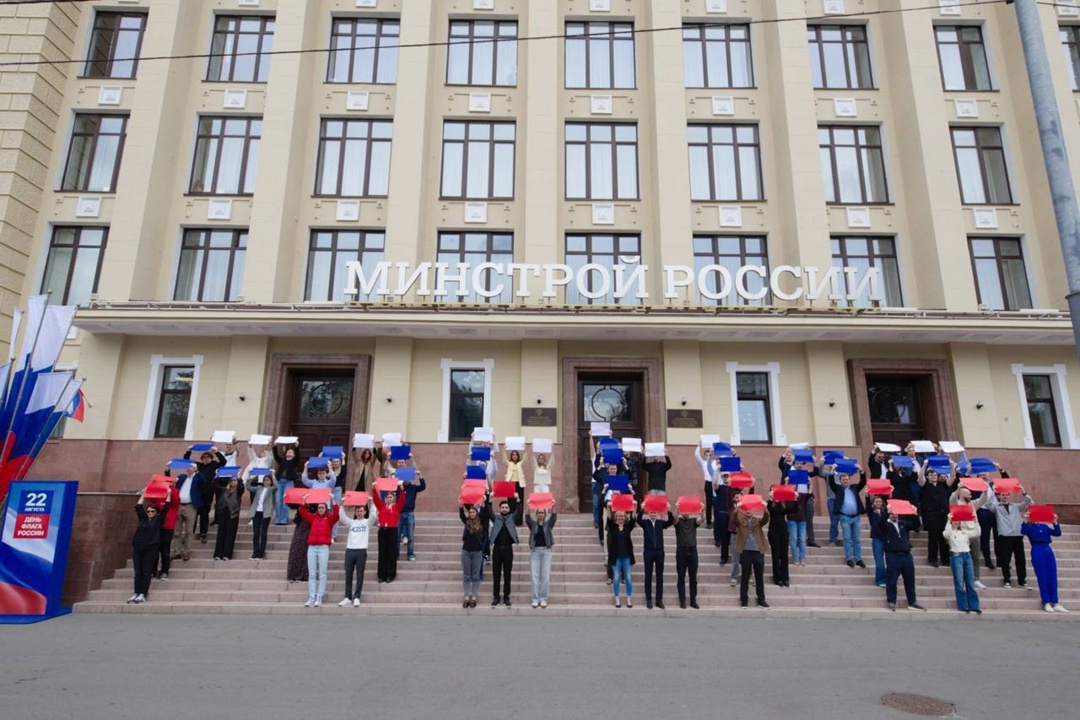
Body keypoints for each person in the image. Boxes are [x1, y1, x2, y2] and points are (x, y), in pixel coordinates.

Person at [985, 480, 1033, 589]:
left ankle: (1022, 580)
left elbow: (1029, 504)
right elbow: (987, 503)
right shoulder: (996, 507)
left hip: (1017, 535)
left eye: (1007, 495)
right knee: (1005, 559)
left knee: (1020, 559)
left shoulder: (1015, 506)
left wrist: (1024, 492)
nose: (1005, 497)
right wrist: (993, 492)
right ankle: (1007, 580)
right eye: (1003, 495)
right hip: (1005, 536)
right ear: (999, 496)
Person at [879, 502, 926, 611]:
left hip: (906, 554)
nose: (894, 515)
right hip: (893, 555)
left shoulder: (902, 523)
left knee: (910, 579)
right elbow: (879, 523)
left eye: (896, 513)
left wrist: (915, 514)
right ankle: (891, 601)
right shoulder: (885, 525)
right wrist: (887, 512)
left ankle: (912, 601)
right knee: (892, 579)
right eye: (892, 513)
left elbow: (916, 525)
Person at [1022, 511, 1068, 613]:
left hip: (1047, 549)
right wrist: (1025, 520)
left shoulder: (1044, 526)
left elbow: (1057, 533)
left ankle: (1055, 602)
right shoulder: (1029, 527)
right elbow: (1023, 531)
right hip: (1037, 549)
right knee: (1042, 576)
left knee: (1052, 575)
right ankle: (1046, 601)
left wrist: (1055, 522)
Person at [298, 495, 340, 607]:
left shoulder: (329, 519)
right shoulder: (313, 518)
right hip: (312, 547)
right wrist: (305, 500)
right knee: (311, 574)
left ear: (326, 509)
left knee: (322, 573)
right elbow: (303, 511)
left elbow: (336, 514)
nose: (321, 509)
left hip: (323, 548)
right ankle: (312, 596)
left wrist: (333, 500)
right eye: (319, 508)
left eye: (323, 508)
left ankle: (319, 596)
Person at [129, 492, 169, 604]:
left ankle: (143, 593)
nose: (150, 513)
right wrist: (144, 494)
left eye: (152, 511)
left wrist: (169, 494)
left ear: (156, 513)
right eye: (148, 511)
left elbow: (166, 508)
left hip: (151, 548)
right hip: (138, 546)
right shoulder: (143, 519)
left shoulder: (158, 520)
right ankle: (136, 592)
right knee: (138, 572)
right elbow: (138, 506)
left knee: (146, 572)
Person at [917, 463, 958, 567]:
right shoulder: (925, 485)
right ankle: (932, 559)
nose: (933, 476)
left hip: (943, 514)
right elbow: (920, 477)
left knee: (944, 538)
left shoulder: (943, 484)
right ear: (928, 477)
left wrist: (951, 466)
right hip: (931, 515)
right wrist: (925, 465)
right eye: (931, 475)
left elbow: (953, 477)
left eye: (935, 475)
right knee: (933, 538)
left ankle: (945, 560)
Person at [827, 464, 867, 569]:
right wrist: (832, 470)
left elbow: (863, 482)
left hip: (856, 517)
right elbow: (831, 482)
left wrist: (861, 470)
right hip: (845, 518)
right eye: (843, 479)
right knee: (847, 539)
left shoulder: (854, 488)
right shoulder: (838, 489)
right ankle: (849, 558)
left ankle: (858, 559)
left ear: (849, 479)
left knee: (857, 539)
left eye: (846, 479)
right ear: (840, 481)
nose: (845, 480)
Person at [943, 510, 982, 614]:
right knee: (959, 582)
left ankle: (974, 605)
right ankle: (963, 605)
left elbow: (977, 532)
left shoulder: (964, 532)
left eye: (958, 520)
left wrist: (975, 520)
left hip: (967, 556)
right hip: (956, 556)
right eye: (955, 520)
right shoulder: (950, 533)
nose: (957, 522)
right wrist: (949, 520)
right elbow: (947, 534)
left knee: (970, 582)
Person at [636, 501, 674, 610]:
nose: (652, 514)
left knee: (659, 576)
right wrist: (642, 509)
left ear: (657, 513)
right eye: (651, 512)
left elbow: (670, 522)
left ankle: (659, 600)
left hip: (659, 551)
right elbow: (638, 520)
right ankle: (648, 599)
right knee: (648, 576)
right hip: (648, 551)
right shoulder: (645, 522)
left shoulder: (660, 523)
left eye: (654, 513)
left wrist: (669, 510)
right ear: (648, 513)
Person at [337, 500, 376, 607]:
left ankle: (357, 597)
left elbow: (373, 515)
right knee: (348, 575)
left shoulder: (367, 523)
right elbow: (342, 517)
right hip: (350, 550)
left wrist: (371, 503)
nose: (359, 512)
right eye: (357, 511)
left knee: (360, 575)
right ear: (355, 512)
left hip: (361, 550)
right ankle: (348, 597)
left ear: (364, 512)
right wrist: (342, 505)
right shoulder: (351, 523)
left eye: (361, 511)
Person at [185, 446, 227, 543]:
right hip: (196, 494)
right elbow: (187, 461)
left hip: (207, 494)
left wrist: (216, 452)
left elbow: (223, 462)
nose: (205, 459)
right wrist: (189, 451)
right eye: (204, 457)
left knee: (204, 515)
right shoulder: (198, 466)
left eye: (208, 457)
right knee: (193, 515)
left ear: (211, 458)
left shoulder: (214, 465)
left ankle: (203, 533)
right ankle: (191, 533)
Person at [734, 501, 770, 609]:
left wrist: (765, 508)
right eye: (746, 509)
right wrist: (737, 508)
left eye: (750, 509)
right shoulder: (741, 521)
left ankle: (761, 600)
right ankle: (744, 601)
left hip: (758, 551)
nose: (748, 511)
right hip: (745, 551)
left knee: (759, 577)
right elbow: (734, 519)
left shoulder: (757, 521)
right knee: (745, 577)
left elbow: (766, 519)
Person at [170, 460, 206, 562]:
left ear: (195, 469)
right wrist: (168, 469)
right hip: (179, 505)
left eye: (192, 467)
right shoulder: (182, 477)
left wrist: (197, 471)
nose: (189, 469)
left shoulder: (197, 478)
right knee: (177, 531)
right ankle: (176, 551)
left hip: (190, 506)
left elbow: (203, 481)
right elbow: (171, 480)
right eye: (188, 467)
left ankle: (186, 551)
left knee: (189, 531)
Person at [373, 482, 407, 583]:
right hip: (383, 530)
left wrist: (401, 488)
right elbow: (376, 499)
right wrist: (374, 489)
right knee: (382, 553)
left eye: (391, 497)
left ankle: (390, 574)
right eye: (387, 497)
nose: (389, 498)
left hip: (392, 530)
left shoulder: (396, 507)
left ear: (393, 498)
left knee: (391, 553)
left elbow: (402, 499)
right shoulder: (382, 507)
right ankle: (381, 575)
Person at [525, 505, 557, 608]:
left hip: (546, 551)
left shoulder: (548, 525)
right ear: (536, 514)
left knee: (545, 576)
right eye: (539, 512)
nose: (540, 514)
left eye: (542, 512)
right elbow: (527, 518)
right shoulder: (533, 525)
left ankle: (543, 598)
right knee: (534, 576)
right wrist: (529, 506)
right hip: (535, 551)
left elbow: (554, 517)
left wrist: (553, 506)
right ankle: (535, 599)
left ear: (545, 514)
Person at [489, 498, 520, 607]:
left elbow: (518, 511)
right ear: (500, 509)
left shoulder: (512, 518)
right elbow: (489, 511)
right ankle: (496, 596)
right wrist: (489, 500)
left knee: (507, 574)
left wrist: (517, 500)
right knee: (496, 575)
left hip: (508, 550)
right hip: (497, 550)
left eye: (506, 507)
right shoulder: (496, 519)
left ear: (509, 509)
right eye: (502, 507)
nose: (504, 509)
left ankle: (506, 596)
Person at [459, 501, 488, 608]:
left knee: (475, 576)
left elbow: (485, 513)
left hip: (477, 551)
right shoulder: (467, 523)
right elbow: (462, 516)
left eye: (473, 512)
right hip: (466, 551)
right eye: (470, 512)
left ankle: (474, 596)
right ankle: (466, 596)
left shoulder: (481, 523)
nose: (471, 514)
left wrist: (484, 502)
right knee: (467, 576)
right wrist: (461, 506)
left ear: (476, 513)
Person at [674, 503, 703, 609]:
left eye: (687, 511)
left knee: (693, 577)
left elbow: (701, 520)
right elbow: (674, 519)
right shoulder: (679, 522)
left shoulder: (693, 521)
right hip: (681, 550)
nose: (686, 513)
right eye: (684, 511)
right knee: (681, 577)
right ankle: (682, 600)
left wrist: (701, 510)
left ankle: (693, 600)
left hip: (692, 550)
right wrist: (677, 509)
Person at [607, 509, 637, 608]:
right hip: (616, 557)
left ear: (625, 518)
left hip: (626, 557)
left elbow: (633, 519)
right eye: (619, 516)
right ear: (616, 518)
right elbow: (608, 518)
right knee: (616, 578)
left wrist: (635, 505)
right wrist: (608, 506)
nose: (620, 518)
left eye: (622, 516)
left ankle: (629, 598)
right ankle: (617, 598)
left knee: (628, 578)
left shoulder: (627, 528)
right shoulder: (613, 527)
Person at [153, 478, 180, 581]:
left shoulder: (174, 502)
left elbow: (175, 497)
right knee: (155, 551)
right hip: (157, 527)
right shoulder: (160, 499)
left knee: (165, 551)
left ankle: (165, 571)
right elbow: (152, 497)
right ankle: (153, 571)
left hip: (167, 528)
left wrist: (171, 487)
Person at [398, 465, 426, 562]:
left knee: (410, 536)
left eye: (407, 477)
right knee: (397, 536)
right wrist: (392, 475)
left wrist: (420, 476)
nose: (406, 480)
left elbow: (423, 487)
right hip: (399, 514)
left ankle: (410, 554)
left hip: (410, 513)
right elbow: (390, 488)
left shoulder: (413, 488)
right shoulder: (399, 488)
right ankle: (396, 554)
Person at [212, 473, 242, 561]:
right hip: (223, 513)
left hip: (233, 513)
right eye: (231, 480)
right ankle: (218, 554)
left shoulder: (238, 491)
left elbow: (241, 487)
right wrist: (217, 476)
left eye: (234, 480)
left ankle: (227, 554)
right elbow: (215, 485)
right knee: (221, 533)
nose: (233, 482)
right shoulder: (224, 490)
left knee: (230, 534)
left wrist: (239, 478)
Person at [247, 469, 275, 559]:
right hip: (256, 512)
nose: (265, 481)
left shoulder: (271, 489)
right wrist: (249, 476)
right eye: (264, 480)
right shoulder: (259, 488)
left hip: (265, 513)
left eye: (267, 480)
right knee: (256, 534)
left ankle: (261, 553)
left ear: (270, 482)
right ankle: (255, 553)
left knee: (263, 534)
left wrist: (273, 475)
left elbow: (277, 486)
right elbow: (249, 487)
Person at [271, 442, 300, 525]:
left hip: (288, 482)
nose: (289, 453)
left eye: (291, 452)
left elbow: (298, 456)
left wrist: (296, 447)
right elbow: (276, 456)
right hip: (280, 481)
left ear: (293, 455)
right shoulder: (282, 460)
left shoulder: (294, 461)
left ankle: (284, 519)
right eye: (288, 451)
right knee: (278, 500)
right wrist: (275, 446)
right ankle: (278, 519)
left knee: (285, 501)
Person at [867, 495, 888, 588]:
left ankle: (888, 578)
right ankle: (880, 580)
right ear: (873, 503)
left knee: (890, 560)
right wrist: (867, 496)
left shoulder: (885, 512)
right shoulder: (872, 513)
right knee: (879, 561)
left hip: (886, 538)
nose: (878, 503)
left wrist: (890, 495)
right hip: (877, 538)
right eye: (876, 501)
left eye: (880, 501)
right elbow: (867, 506)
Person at [286, 501, 310, 584]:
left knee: (305, 551)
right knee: (295, 550)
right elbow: (291, 504)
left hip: (309, 527)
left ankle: (303, 575)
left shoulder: (315, 505)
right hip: (300, 527)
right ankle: (293, 574)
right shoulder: (300, 503)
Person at [694, 444, 717, 528]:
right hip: (708, 483)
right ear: (704, 455)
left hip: (716, 483)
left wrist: (717, 447)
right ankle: (708, 521)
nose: (708, 454)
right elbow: (696, 454)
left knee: (717, 502)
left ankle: (717, 520)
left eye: (710, 453)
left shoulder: (715, 462)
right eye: (707, 453)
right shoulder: (703, 463)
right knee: (709, 502)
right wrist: (699, 445)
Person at [504, 449, 526, 525]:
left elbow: (525, 460)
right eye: (513, 455)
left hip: (519, 484)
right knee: (510, 502)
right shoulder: (509, 463)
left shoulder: (520, 463)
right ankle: (511, 520)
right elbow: (504, 460)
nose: (514, 456)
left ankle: (519, 521)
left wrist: (525, 450)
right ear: (511, 456)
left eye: (516, 455)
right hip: (510, 484)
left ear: (518, 456)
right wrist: (504, 450)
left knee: (519, 502)